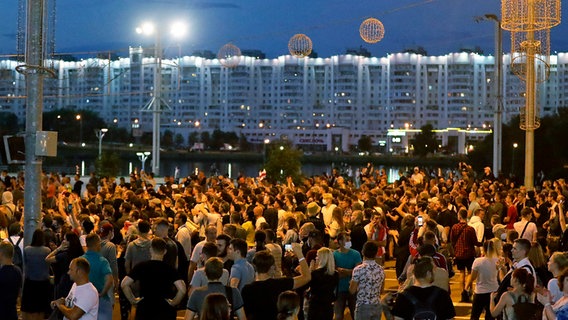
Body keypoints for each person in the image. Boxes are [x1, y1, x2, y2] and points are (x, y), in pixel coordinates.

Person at [121, 238, 186, 320]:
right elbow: (182, 289)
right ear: (165, 251)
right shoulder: (170, 269)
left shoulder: (141, 266)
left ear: (150, 250)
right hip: (165, 311)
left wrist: (132, 300)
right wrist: (174, 302)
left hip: (145, 309)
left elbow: (124, 284)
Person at [241, 243, 311, 320]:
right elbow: (306, 277)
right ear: (271, 267)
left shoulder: (247, 289)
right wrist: (300, 254)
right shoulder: (280, 284)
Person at [391, 256, 456, 320]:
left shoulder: (403, 296)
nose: (435, 272)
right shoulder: (442, 295)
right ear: (428, 273)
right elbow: (450, 318)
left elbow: (398, 318)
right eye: (434, 270)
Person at [349, 240, 385, 320]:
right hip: (376, 305)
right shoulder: (381, 269)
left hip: (363, 305)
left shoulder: (358, 269)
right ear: (376, 254)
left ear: (362, 252)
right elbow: (382, 290)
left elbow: (352, 290)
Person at [82, 233, 114, 320]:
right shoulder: (103, 261)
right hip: (101, 299)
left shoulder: (80, 261)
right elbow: (109, 280)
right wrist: (102, 293)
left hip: (84, 300)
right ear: (97, 244)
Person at [21, 229, 52, 320]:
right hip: (43, 281)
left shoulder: (27, 250)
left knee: (30, 307)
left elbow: (25, 265)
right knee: (41, 307)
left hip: (30, 281)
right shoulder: (47, 250)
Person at [450, 208, 479, 301]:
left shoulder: (454, 227)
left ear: (459, 216)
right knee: (470, 272)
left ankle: (463, 292)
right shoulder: (470, 229)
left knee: (461, 273)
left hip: (458, 253)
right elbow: (475, 242)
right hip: (469, 253)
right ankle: (468, 289)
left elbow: (452, 240)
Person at [466, 240, 499, 320]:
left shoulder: (478, 261)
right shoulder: (498, 260)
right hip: (494, 290)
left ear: (483, 249)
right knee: (490, 316)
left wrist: (467, 286)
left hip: (480, 291)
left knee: (475, 315)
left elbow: (473, 277)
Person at [333, 231, 362, 320]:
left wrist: (344, 271)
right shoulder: (334, 254)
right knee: (338, 315)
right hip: (339, 289)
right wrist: (350, 272)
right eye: (347, 240)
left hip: (353, 289)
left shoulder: (356, 254)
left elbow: (358, 271)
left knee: (355, 314)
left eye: (350, 240)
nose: (349, 242)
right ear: (340, 242)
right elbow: (334, 270)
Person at [307, 247, 339, 320]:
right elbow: (335, 293)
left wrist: (310, 270)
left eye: (317, 256)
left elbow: (309, 287)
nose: (316, 258)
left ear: (322, 258)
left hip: (315, 306)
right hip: (328, 307)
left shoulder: (315, 273)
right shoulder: (335, 274)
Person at [0, 241, 23, 320]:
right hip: (12, 312)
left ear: (1, 254)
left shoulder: (1, 272)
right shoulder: (18, 271)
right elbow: (19, 293)